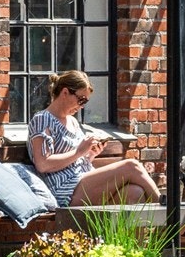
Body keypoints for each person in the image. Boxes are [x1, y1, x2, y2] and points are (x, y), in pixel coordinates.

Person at [29, 69, 159, 208]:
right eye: (81, 99)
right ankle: (171, 213)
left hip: (83, 179)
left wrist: (89, 155)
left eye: (85, 101)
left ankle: (156, 224)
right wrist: (79, 152)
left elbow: (75, 161)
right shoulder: (43, 119)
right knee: (131, 166)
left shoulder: (72, 121)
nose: (82, 105)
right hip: (66, 190)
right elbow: (42, 164)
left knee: (134, 193)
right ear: (65, 93)